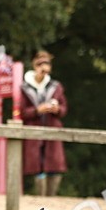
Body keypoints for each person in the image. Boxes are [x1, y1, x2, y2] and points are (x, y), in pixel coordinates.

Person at [18, 50, 69, 196]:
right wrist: (37, 110)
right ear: (35, 65)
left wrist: (56, 109)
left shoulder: (56, 86)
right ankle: (40, 198)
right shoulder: (25, 87)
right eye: (41, 64)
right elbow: (22, 112)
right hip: (34, 131)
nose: (44, 67)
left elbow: (64, 109)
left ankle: (51, 197)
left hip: (52, 128)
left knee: (54, 164)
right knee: (37, 165)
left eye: (47, 64)